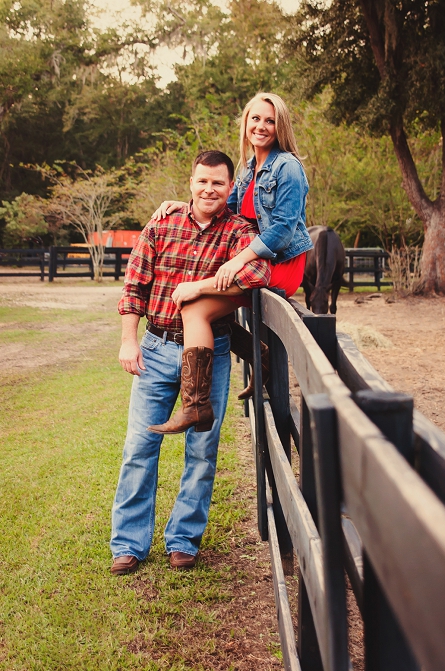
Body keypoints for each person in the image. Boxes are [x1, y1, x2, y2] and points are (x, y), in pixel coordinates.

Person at [111, 150, 271, 575]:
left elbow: (259, 275)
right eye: (202, 181)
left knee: (202, 449)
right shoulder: (162, 223)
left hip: (211, 352)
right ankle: (128, 544)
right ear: (191, 181)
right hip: (158, 347)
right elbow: (135, 285)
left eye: (218, 183)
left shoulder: (239, 232)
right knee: (139, 447)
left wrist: (202, 286)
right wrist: (129, 342)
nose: (209, 190)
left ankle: (182, 540)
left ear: (229, 187)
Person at [146, 92, 313, 434]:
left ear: (280, 125)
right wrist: (183, 203)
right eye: (256, 119)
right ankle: (260, 357)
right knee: (201, 308)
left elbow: (281, 231)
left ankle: (196, 408)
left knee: (194, 307)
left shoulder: (288, 167)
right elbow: (226, 209)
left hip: (279, 263)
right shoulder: (249, 168)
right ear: (246, 123)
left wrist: (237, 260)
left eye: (270, 120)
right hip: (253, 260)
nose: (262, 126)